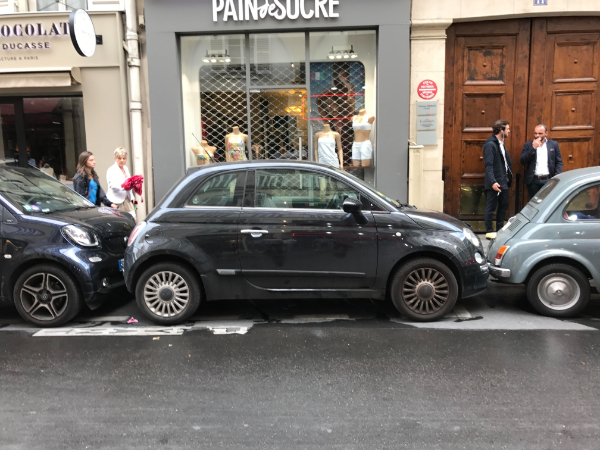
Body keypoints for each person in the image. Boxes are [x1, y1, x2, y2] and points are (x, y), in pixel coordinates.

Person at [483, 119, 513, 233]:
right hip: (495, 182)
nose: (509, 131)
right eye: (507, 129)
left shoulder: (501, 144)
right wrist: (493, 182)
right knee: (491, 208)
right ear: (501, 130)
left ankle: (500, 231)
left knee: (503, 207)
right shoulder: (490, 144)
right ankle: (490, 232)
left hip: (503, 181)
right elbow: (489, 165)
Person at [520, 124, 563, 198]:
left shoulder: (553, 144)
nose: (537, 135)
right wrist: (533, 148)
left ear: (546, 133)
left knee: (548, 201)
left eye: (540, 133)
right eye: (535, 133)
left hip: (548, 179)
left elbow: (559, 161)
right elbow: (522, 161)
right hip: (533, 180)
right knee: (534, 201)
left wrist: (556, 176)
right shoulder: (528, 145)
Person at [106, 147, 136, 217]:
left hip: (127, 199)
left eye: (124, 158)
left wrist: (132, 198)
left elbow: (129, 183)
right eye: (119, 158)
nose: (122, 160)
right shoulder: (111, 170)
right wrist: (124, 187)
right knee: (119, 220)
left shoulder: (126, 168)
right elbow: (112, 185)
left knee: (133, 217)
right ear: (115, 159)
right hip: (116, 200)